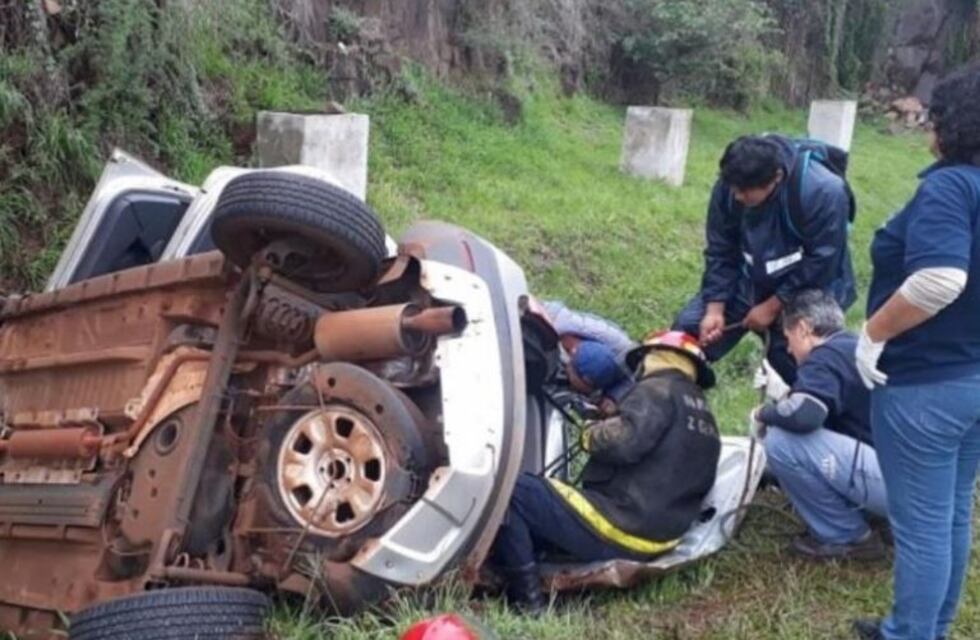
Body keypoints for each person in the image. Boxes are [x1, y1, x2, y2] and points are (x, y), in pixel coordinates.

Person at [851, 67, 980, 640]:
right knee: (951, 510)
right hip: (972, 376)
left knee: (924, 523)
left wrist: (874, 333)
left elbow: (938, 281)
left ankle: (909, 633)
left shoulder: (951, 187)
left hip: (925, 383)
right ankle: (932, 626)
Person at [489, 331, 721, 611]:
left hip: (625, 522)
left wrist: (591, 434)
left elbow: (623, 443)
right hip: (665, 535)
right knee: (545, 503)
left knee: (515, 491)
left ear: (650, 358)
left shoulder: (657, 390)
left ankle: (528, 603)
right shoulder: (704, 415)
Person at [675, 135, 857, 384]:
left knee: (804, 360)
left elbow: (823, 261)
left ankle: (804, 414)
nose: (737, 196)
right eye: (733, 188)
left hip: (808, 283)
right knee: (685, 335)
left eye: (745, 191)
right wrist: (715, 308)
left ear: (776, 178)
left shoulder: (823, 191)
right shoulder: (730, 186)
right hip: (750, 274)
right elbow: (721, 249)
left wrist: (773, 306)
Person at [752, 290, 887, 560]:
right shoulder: (853, 346)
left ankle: (847, 536)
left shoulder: (826, 355)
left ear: (803, 328)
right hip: (921, 481)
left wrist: (763, 413)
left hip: (896, 486)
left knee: (781, 441)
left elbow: (805, 417)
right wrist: (785, 398)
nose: (788, 349)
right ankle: (875, 515)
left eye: (788, 338)